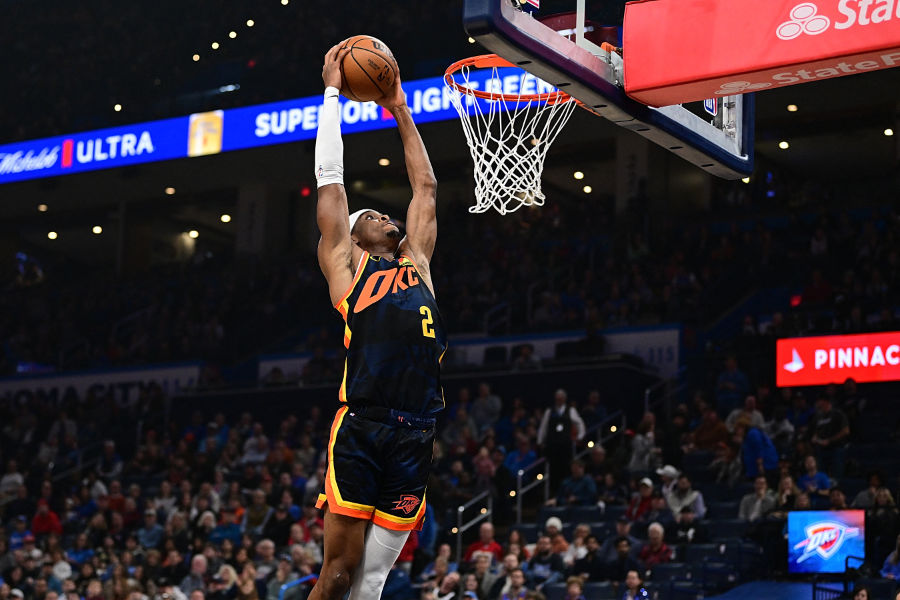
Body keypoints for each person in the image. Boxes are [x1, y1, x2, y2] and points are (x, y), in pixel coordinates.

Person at [310, 43, 444, 600]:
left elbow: (426, 189)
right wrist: (333, 92)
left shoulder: (418, 264)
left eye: (386, 215)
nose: (384, 215)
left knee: (372, 582)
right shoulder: (346, 266)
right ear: (354, 233)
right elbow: (332, 182)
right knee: (339, 574)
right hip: (362, 428)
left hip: (416, 431)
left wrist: (400, 108)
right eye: (372, 215)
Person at [537, 389, 586, 493]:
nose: (559, 401)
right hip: (552, 446)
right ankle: (553, 493)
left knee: (566, 470)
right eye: (557, 399)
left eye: (561, 399)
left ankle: (565, 493)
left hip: (565, 446)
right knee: (553, 471)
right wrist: (540, 441)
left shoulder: (571, 410)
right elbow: (543, 427)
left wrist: (580, 437)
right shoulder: (549, 411)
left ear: (564, 399)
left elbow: (580, 424)